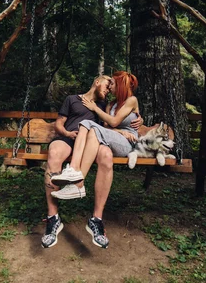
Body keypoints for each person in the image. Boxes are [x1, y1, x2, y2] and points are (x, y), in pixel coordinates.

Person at [41, 74, 141, 249]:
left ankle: (96, 219)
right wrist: (66, 133)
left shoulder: (103, 105)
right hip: (70, 138)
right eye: (107, 83)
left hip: (93, 142)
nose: (109, 87)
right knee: (54, 152)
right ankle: (52, 218)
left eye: (112, 84)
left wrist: (134, 122)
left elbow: (112, 125)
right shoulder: (72, 99)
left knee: (106, 156)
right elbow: (59, 123)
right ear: (97, 81)